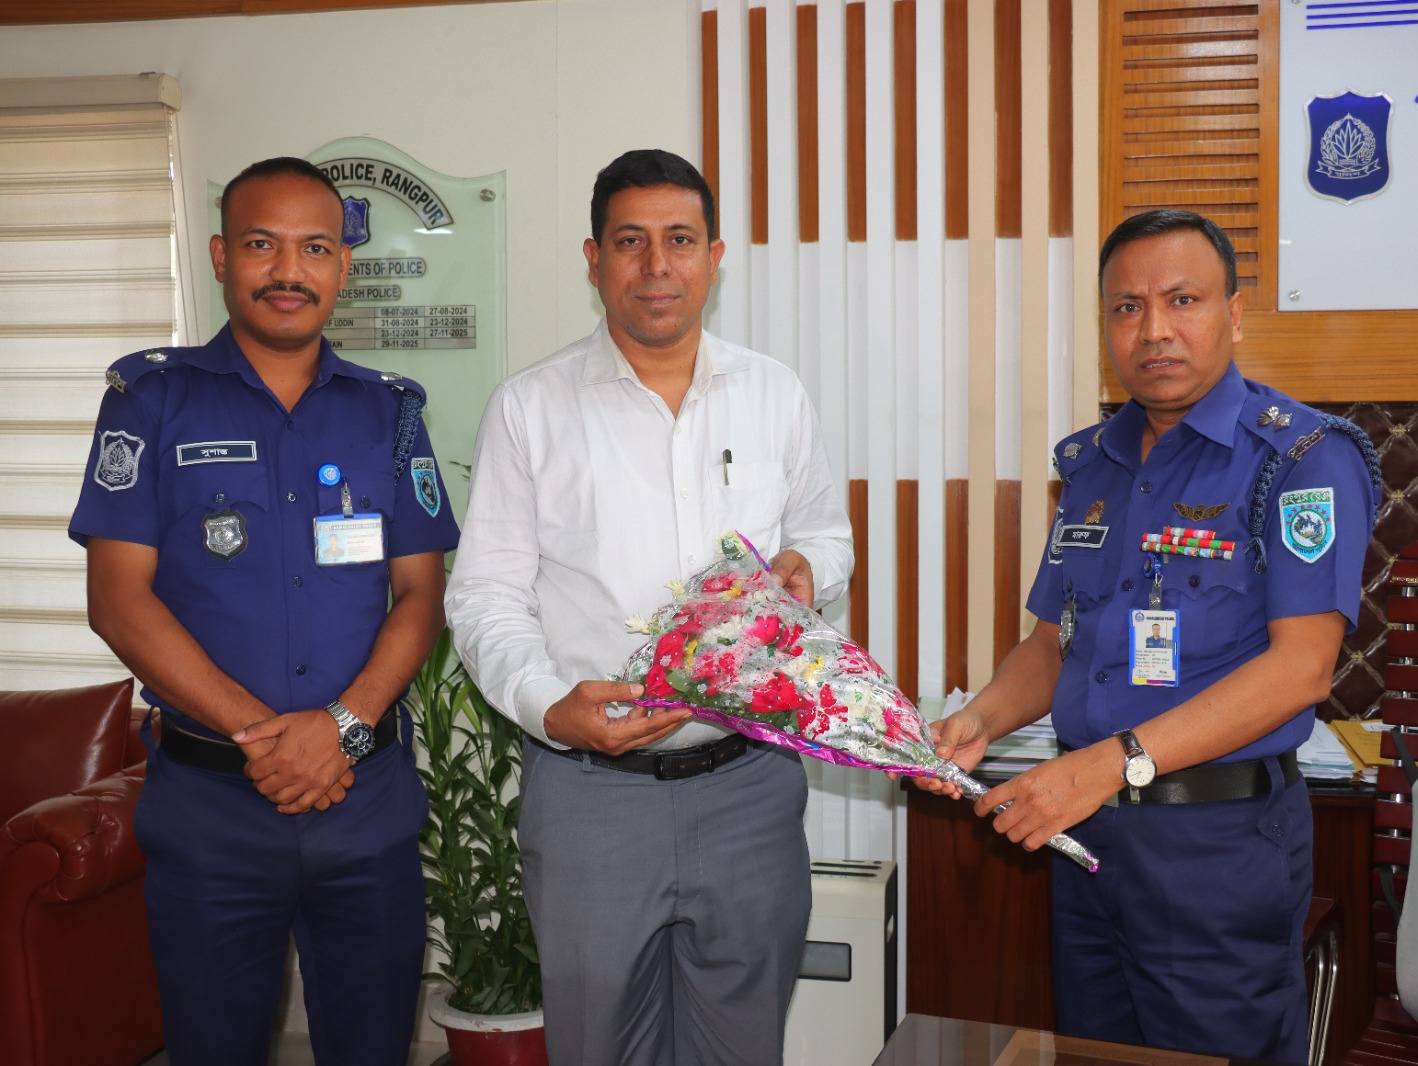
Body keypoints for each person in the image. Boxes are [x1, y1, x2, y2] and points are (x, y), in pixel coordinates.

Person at [917, 209, 1379, 1063]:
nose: (1155, 329)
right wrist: (980, 719)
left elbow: (1302, 671)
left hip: (1215, 847)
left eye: (1182, 300)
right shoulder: (1095, 463)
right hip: (1087, 842)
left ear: (1232, 314)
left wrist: (1107, 765)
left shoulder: (1301, 459)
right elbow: (1054, 643)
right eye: (1127, 307)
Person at [444, 148, 853, 1066]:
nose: (657, 265)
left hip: (749, 785)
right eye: (630, 242)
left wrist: (806, 568)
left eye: (680, 240)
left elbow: (827, 535)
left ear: (716, 257)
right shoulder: (530, 409)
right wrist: (550, 706)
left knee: (741, 1047)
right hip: (592, 798)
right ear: (594, 260)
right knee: (600, 1047)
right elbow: (485, 594)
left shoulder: (773, 392)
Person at [69, 157, 459, 1066]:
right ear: (220, 257)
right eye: (261, 245)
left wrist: (341, 729)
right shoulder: (150, 401)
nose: (289, 270)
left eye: (314, 248)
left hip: (364, 801)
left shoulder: (390, 415)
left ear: (343, 266)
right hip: (211, 808)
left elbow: (421, 594)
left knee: (372, 1048)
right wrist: (268, 739)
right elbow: (118, 602)